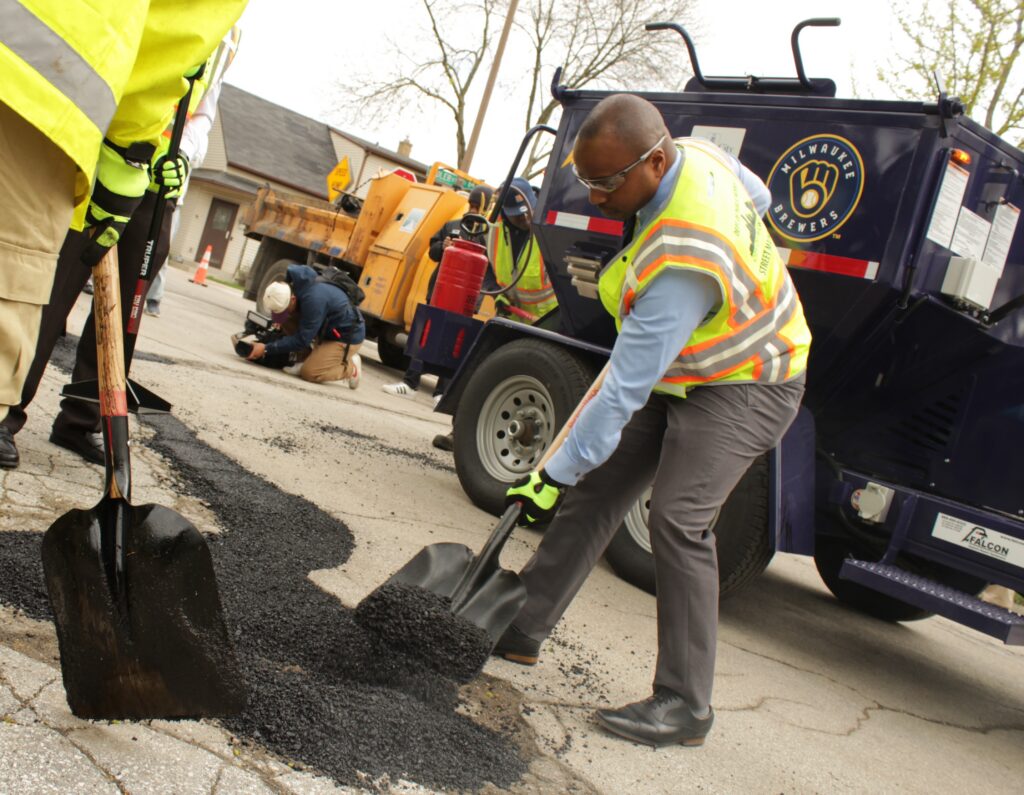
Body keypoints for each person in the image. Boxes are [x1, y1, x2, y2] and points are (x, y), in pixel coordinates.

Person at [496, 94, 811, 749]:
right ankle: (522, 625)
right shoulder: (697, 152)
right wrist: (570, 473)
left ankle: (684, 702)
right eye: (588, 181)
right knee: (601, 484)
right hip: (693, 359)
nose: (598, 198)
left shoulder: (683, 259)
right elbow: (762, 201)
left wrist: (548, 471)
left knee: (677, 514)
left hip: (753, 375)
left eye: (607, 183)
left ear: (655, 159)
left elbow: (619, 390)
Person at [0, 25, 242, 467]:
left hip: (159, 182)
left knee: (123, 311)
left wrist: (183, 155)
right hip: (106, 156)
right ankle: (6, 410)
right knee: (52, 292)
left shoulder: (229, 31)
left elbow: (204, 110)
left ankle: (81, 420)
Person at [382, 185, 493, 404]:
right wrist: (444, 245)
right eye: (471, 205)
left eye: (478, 207)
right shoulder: (451, 226)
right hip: (439, 292)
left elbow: (491, 269)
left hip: (466, 301)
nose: (473, 211)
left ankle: (442, 392)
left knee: (454, 344)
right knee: (426, 334)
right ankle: (410, 382)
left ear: (487, 209)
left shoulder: (488, 236)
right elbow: (432, 253)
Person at [248, 264, 365, 388]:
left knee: (310, 373)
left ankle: (351, 369)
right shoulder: (293, 285)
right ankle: (304, 358)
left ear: (293, 299)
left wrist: (266, 348)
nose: (282, 314)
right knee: (287, 318)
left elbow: (302, 340)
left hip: (345, 337)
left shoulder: (313, 300)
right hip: (326, 327)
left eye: (284, 309)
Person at [488, 177, 557, 321]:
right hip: (510, 319)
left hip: (546, 321)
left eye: (528, 210)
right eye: (517, 216)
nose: (525, 218)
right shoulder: (492, 229)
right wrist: (495, 292)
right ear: (504, 212)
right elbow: (484, 266)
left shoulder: (551, 227)